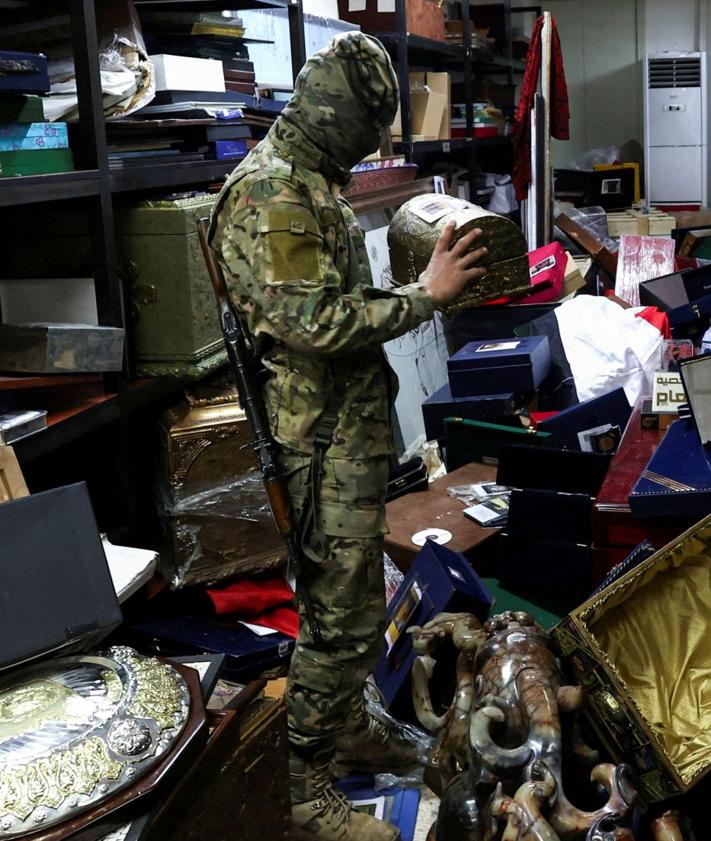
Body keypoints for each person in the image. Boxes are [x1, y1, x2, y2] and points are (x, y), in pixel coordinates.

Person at [209, 31, 487, 841]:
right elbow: (312, 320)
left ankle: (348, 729)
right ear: (338, 119)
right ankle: (300, 789)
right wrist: (425, 295)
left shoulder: (309, 182)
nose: (370, 148)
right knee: (336, 620)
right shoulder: (272, 194)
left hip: (345, 432)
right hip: (320, 445)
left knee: (357, 605)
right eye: (366, 131)